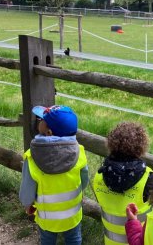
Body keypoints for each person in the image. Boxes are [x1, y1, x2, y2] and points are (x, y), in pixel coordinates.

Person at [19, 105, 89, 245]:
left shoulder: (32, 157)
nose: (39, 121)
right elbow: (84, 180)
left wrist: (27, 204)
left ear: (49, 132)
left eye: (42, 120)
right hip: (72, 213)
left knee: (47, 241)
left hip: (47, 217)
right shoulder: (79, 153)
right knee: (74, 240)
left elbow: (27, 187)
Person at [93, 122, 153, 245]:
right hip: (138, 240)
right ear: (141, 148)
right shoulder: (148, 178)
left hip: (110, 241)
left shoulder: (99, 175)